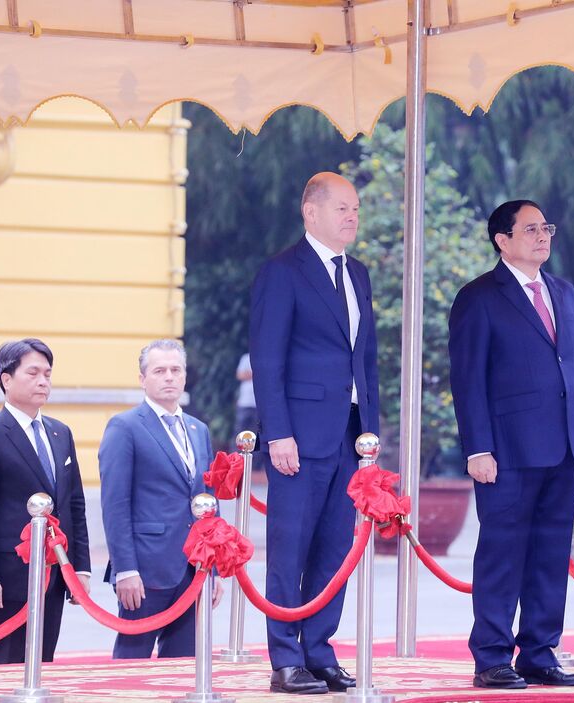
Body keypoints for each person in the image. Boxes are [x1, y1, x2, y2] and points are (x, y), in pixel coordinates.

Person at [448, 200, 574, 689]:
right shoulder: (478, 297)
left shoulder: (564, 291)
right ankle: (492, 658)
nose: (543, 237)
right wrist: (477, 449)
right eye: (531, 229)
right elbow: (467, 380)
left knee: (550, 555)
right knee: (502, 554)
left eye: (546, 228)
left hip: (564, 447)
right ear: (502, 240)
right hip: (507, 451)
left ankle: (539, 653)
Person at [250, 171, 379, 695]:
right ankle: (286, 658)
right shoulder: (283, 272)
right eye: (342, 208)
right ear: (311, 212)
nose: (352, 217)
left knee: (334, 550)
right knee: (290, 549)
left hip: (349, 436)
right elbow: (267, 360)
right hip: (299, 438)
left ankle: (319, 651)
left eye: (355, 209)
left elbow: (365, 360)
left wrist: (371, 435)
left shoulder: (358, 274)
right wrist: (277, 433)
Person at [98, 339, 221, 659]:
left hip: (194, 568)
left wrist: (214, 568)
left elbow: (207, 500)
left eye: (175, 370)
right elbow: (115, 505)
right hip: (146, 568)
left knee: (183, 664)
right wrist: (125, 569)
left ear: (184, 376)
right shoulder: (124, 427)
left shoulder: (198, 429)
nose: (169, 377)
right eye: (159, 370)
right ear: (143, 379)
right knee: (132, 662)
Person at [0, 338, 91, 664]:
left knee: (42, 664)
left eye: (47, 374)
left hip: (53, 575)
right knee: (2, 668)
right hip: (6, 581)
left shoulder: (60, 433)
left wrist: (79, 568)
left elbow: (75, 504)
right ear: (6, 379)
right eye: (33, 373)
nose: (43, 381)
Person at [234, 353, 264, 472]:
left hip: (259, 404)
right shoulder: (246, 357)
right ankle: (235, 461)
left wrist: (252, 374)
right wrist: (258, 373)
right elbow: (240, 375)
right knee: (239, 432)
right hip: (244, 403)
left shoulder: (265, 358)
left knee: (257, 435)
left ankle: (254, 464)